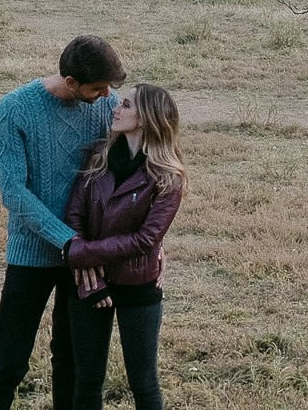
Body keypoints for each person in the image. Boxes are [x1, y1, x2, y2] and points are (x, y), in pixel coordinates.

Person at [0, 34, 125, 410]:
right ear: (71, 82)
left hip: (84, 256)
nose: (108, 95)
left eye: (110, 87)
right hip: (32, 253)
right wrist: (66, 240)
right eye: (99, 87)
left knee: (70, 362)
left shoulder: (108, 108)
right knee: (9, 362)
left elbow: (132, 173)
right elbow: (13, 192)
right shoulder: (15, 108)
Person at [63, 83, 186, 410]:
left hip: (138, 284)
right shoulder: (97, 155)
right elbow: (74, 211)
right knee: (87, 378)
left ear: (146, 119)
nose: (116, 109)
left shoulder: (167, 176)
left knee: (143, 380)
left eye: (126, 105)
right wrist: (84, 264)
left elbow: (148, 238)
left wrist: (82, 254)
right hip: (90, 283)